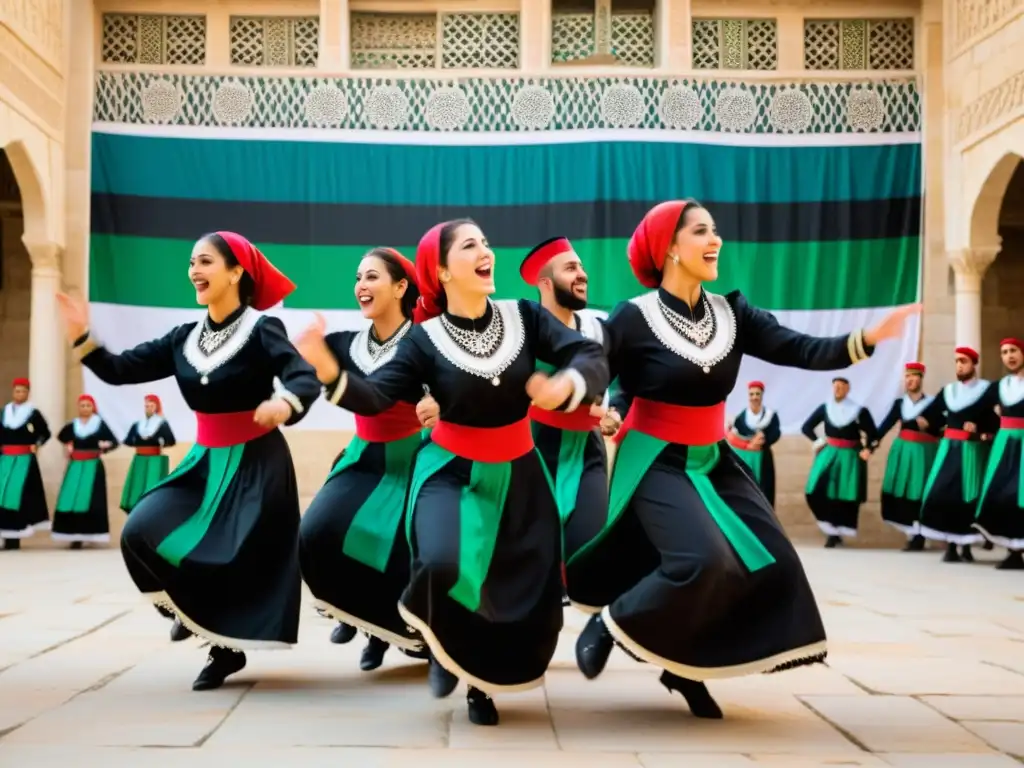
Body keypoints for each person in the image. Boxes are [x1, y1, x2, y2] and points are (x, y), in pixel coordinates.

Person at [568, 199, 918, 719]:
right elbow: (602, 371)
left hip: (713, 460)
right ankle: (613, 622)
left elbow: (799, 349)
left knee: (767, 560)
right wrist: (594, 400)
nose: (717, 241)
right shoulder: (634, 317)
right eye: (702, 232)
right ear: (669, 248)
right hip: (656, 459)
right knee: (704, 559)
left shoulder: (733, 313)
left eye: (716, 231)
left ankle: (685, 666)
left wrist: (865, 340)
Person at [294, 219, 608, 727]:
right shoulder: (423, 342)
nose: (486, 250)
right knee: (442, 564)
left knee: (508, 589)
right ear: (441, 271)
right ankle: (437, 641)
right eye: (470, 245)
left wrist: (570, 381)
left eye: (486, 242)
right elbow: (377, 395)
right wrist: (331, 373)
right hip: (449, 472)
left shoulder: (524, 317)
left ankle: (477, 687)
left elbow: (588, 353)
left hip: (521, 477)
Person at [57, 230, 322, 690]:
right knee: (140, 530)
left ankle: (224, 650)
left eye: (204, 262)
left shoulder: (263, 330)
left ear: (236, 272)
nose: (193, 271)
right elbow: (120, 370)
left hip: (255, 463)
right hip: (203, 462)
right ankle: (187, 608)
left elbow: (303, 377)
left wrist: (284, 404)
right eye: (191, 263)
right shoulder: (183, 338)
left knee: (226, 558)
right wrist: (82, 337)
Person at [297, 247, 432, 671]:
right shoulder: (342, 344)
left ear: (400, 286)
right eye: (358, 278)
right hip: (363, 454)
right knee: (317, 533)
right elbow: (300, 376)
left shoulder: (426, 343)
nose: (361, 286)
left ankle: (407, 634)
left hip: (414, 458)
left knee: (397, 550)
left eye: (371, 277)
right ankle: (365, 620)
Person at [518, 237, 621, 613]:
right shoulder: (521, 329)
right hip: (530, 453)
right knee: (526, 562)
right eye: (570, 268)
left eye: (581, 267)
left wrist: (614, 410)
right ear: (545, 283)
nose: (582, 274)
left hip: (586, 454)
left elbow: (623, 379)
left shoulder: (598, 328)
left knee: (589, 555)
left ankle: (604, 629)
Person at [917, 346, 999, 563]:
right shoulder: (949, 391)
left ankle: (966, 547)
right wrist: (933, 427)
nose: (959, 365)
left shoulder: (986, 390)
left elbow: (995, 420)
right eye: (957, 361)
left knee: (968, 496)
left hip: (971, 450)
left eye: (964, 361)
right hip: (948, 449)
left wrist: (980, 430)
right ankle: (951, 545)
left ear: (973, 364)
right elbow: (930, 417)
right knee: (942, 492)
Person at [801, 377, 879, 548]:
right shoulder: (825, 408)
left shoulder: (858, 411)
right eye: (835, 387)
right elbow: (806, 427)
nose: (838, 390)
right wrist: (818, 441)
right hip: (829, 454)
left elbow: (873, 434)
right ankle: (830, 529)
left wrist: (868, 449)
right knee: (817, 489)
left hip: (850, 456)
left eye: (842, 387)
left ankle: (836, 533)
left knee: (844, 494)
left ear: (847, 389)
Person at [873, 362, 941, 551]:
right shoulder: (900, 404)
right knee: (902, 488)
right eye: (907, 377)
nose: (910, 380)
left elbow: (941, 427)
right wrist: (871, 442)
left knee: (919, 490)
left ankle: (920, 533)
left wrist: (929, 426)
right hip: (903, 451)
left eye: (914, 376)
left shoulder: (932, 404)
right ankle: (912, 532)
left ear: (921, 378)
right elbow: (885, 425)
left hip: (924, 451)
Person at [974, 337, 1024, 570]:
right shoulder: (999, 387)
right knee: (1004, 492)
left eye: (1013, 350)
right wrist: (983, 429)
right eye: (1004, 352)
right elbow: (978, 410)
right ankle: (1014, 550)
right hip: (1004, 444)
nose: (1009, 356)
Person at [51, 395, 119, 549]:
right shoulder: (73, 425)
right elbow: (61, 436)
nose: (85, 408)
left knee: (90, 500)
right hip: (75, 465)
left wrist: (105, 446)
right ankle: (74, 536)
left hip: (92, 466)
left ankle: (90, 533)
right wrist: (69, 445)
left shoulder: (99, 424)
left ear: (93, 407)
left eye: (88, 405)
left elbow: (114, 442)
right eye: (82, 405)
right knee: (71, 498)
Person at [0, 378, 52, 549]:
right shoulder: (4, 412)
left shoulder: (33, 414)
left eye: (23, 391)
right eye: (17, 391)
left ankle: (15, 538)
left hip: (24, 461)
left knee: (18, 497)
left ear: (28, 393)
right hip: (5, 460)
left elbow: (45, 433)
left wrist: (36, 444)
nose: (19, 394)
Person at [726, 381, 781, 506]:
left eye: (757, 394)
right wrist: (748, 444)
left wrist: (763, 440)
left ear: (762, 395)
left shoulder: (770, 416)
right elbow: (734, 436)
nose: (754, 397)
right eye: (752, 394)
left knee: (764, 488)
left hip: (763, 457)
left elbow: (776, 433)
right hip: (746, 457)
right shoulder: (741, 417)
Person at [120, 394, 177, 514]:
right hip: (139, 459)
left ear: (156, 407)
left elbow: (170, 441)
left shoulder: (161, 424)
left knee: (152, 484)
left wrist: (163, 442)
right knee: (138, 486)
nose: (149, 408)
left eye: (151, 406)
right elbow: (128, 440)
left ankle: (152, 510)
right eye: (146, 406)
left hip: (155, 460)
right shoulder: (138, 425)